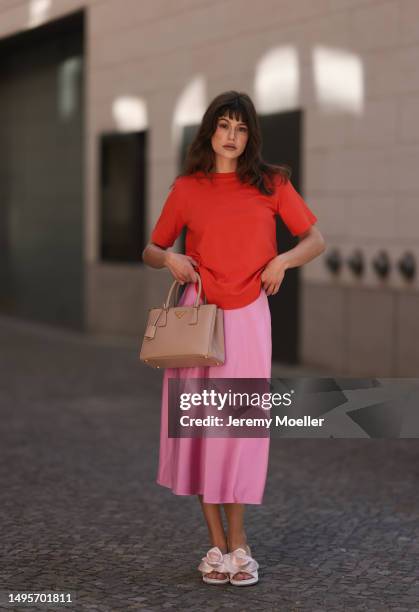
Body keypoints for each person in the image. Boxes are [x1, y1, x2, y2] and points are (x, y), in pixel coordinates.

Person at [142, 91, 325, 586]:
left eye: (241, 128)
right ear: (210, 131)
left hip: (247, 317)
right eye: (223, 125)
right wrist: (171, 260)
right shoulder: (187, 188)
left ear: (250, 136)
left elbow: (315, 240)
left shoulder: (273, 182)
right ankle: (216, 546)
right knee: (202, 427)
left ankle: (240, 542)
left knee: (239, 429)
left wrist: (282, 261)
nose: (231, 136)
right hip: (198, 316)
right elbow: (152, 248)